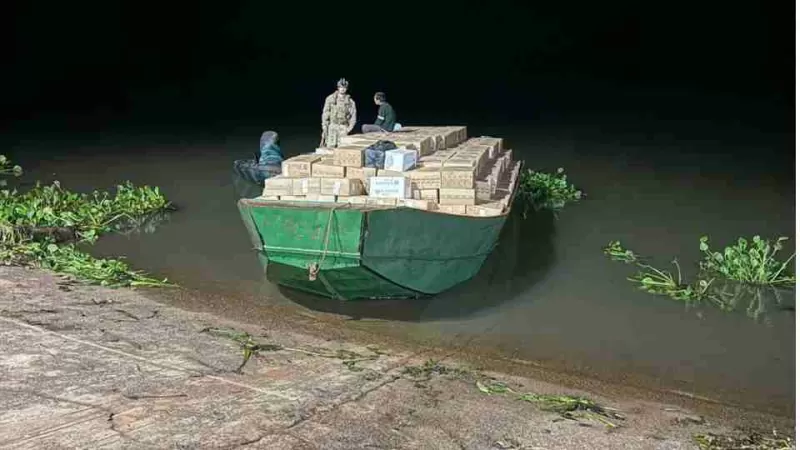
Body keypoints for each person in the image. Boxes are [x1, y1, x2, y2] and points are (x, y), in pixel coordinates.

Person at [321, 78, 357, 147]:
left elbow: (353, 116)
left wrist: (348, 129)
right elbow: (325, 113)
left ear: (347, 88)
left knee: (342, 148)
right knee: (330, 148)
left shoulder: (350, 102)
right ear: (338, 88)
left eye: (344, 87)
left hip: (343, 127)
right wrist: (324, 126)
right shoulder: (330, 99)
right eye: (341, 87)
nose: (342, 89)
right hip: (332, 127)